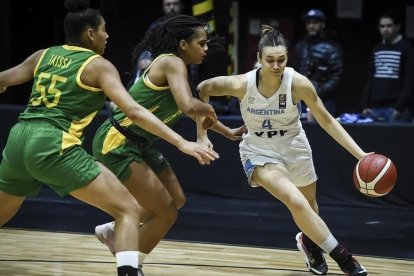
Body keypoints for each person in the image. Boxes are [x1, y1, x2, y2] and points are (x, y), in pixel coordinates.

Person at [0, 1, 219, 275]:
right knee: (127, 209)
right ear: (90, 33)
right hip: (54, 141)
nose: (108, 35)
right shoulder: (99, 66)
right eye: (104, 30)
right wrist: (180, 142)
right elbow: (135, 111)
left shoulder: (43, 55)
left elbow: (3, 80)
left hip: (18, 138)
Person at [196, 25, 369, 276]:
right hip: (258, 150)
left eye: (281, 60)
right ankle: (345, 259)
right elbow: (202, 89)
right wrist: (202, 135)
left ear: (287, 58)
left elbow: (328, 121)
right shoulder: (241, 84)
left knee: (308, 206)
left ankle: (308, 243)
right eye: (269, 60)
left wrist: (361, 156)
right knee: (295, 201)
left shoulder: (298, 83)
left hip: (295, 145)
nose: (276, 66)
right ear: (258, 59)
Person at [92, 14, 245, 275]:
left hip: (141, 142)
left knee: (177, 199)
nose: (206, 48)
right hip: (118, 140)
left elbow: (190, 110)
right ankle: (132, 265)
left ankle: (115, 230)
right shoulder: (172, 62)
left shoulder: (177, 67)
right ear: (183, 44)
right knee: (166, 213)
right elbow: (190, 105)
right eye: (202, 43)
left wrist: (226, 131)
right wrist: (208, 107)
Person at [362, 12, 414, 123]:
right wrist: (365, 104)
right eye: (382, 26)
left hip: (396, 109)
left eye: (389, 26)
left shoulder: (406, 48)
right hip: (375, 108)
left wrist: (400, 107)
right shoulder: (377, 48)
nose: (385, 29)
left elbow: (409, 80)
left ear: (397, 27)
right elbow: (371, 77)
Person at [293, 8, 343, 119]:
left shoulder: (331, 48)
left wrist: (317, 92)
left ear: (322, 25)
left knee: (323, 133)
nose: (311, 26)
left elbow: (337, 76)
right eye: (309, 23)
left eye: (315, 22)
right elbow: (294, 71)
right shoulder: (300, 47)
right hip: (301, 100)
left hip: (323, 100)